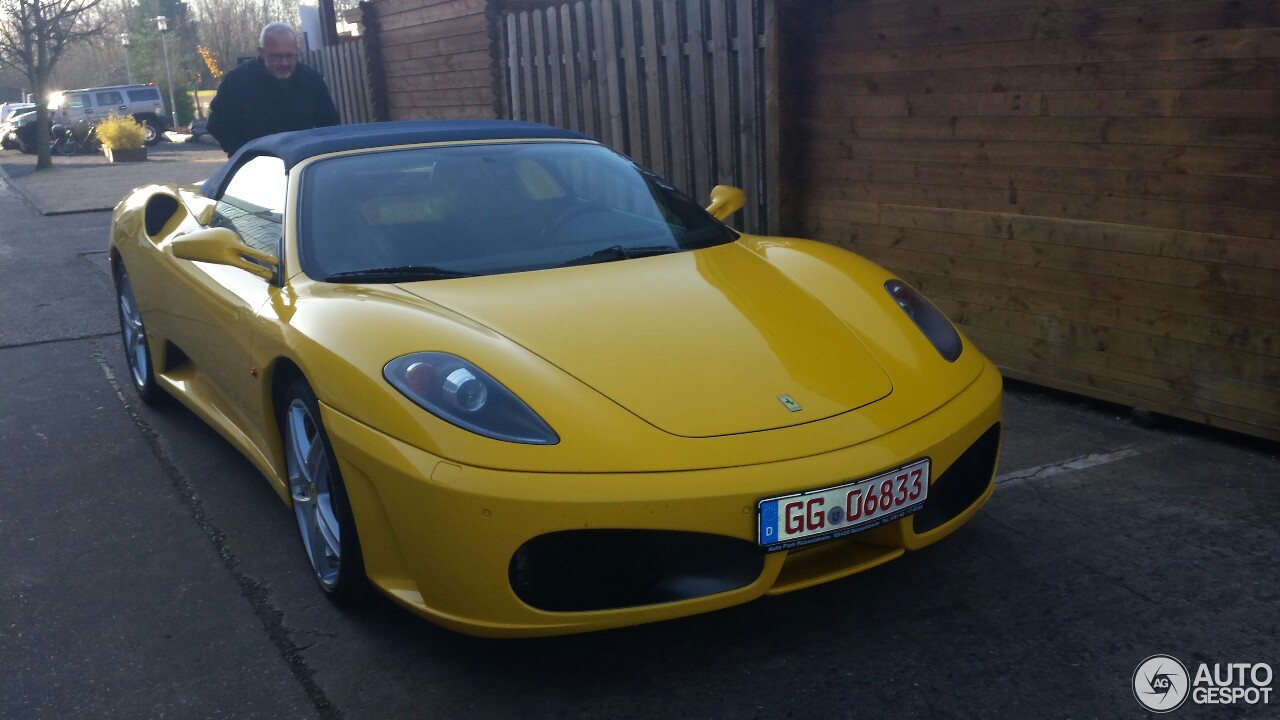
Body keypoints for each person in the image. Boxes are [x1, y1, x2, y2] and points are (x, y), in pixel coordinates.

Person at [206, 22, 340, 156]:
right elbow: (217, 124)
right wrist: (243, 152)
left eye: (289, 56)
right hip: (255, 164)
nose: (284, 63)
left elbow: (330, 124)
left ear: (297, 52)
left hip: (301, 160)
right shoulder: (237, 81)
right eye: (276, 57)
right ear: (261, 52)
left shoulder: (311, 80)